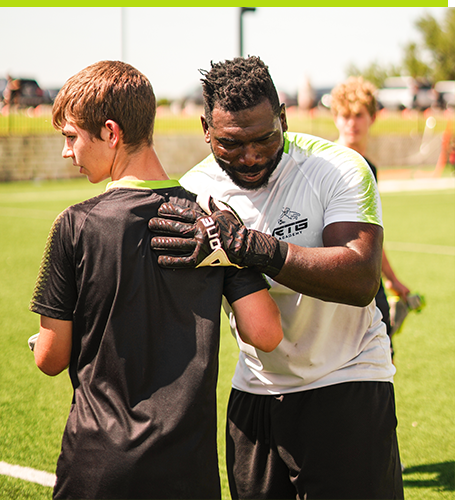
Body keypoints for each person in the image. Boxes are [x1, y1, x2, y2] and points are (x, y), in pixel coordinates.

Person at [149, 56, 404, 499]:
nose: (250, 156)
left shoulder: (339, 167)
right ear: (205, 128)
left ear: (283, 117)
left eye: (265, 138)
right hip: (255, 391)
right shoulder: (193, 192)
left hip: (348, 380)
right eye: (230, 143)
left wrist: (251, 247)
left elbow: (361, 278)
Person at [29, 60, 283, 500]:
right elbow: (266, 332)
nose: (66, 151)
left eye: (71, 137)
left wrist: (40, 342)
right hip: (188, 472)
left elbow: (51, 359)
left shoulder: (74, 225)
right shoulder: (214, 220)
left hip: (97, 465)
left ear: (111, 132)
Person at [331, 76, 411, 352]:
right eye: (345, 115)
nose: (352, 122)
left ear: (372, 118)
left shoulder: (369, 168)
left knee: (382, 351)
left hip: (366, 277)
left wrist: (391, 278)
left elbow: (369, 234)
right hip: (334, 280)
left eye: (359, 115)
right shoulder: (325, 164)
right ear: (335, 118)